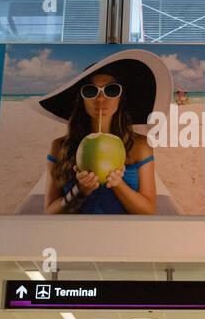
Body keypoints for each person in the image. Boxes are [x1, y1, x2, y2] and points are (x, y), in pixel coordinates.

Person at [43, 68, 157, 214]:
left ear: (120, 97)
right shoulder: (59, 147)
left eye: (112, 90)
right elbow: (49, 213)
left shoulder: (141, 146)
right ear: (81, 98)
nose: (101, 98)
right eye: (91, 91)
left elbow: (148, 211)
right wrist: (79, 190)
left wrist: (117, 184)